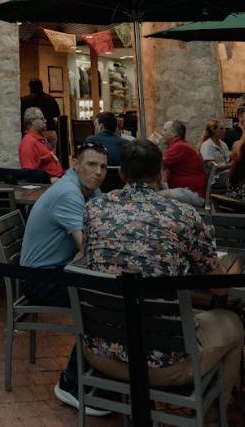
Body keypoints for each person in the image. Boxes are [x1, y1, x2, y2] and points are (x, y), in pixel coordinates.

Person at [83, 139, 244, 417]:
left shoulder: (93, 210)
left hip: (99, 352)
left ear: (120, 173)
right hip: (162, 364)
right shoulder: (182, 215)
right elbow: (218, 285)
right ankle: (215, 411)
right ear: (160, 174)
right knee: (233, 323)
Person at [20, 142, 108, 414]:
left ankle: (105, 376)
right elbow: (89, 249)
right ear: (75, 163)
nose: (98, 172)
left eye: (103, 166)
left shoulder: (88, 190)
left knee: (107, 298)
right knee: (102, 304)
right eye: (91, 165)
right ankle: (71, 384)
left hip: (59, 270)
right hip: (40, 280)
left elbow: (104, 225)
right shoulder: (70, 193)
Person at [161, 119, 207, 200]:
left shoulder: (179, 147)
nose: (162, 133)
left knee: (154, 195)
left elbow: (156, 165)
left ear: (174, 133)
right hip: (188, 190)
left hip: (191, 192)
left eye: (165, 130)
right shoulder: (179, 145)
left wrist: (150, 144)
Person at [19, 107, 64, 179]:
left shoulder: (41, 138)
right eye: (42, 118)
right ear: (32, 122)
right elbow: (29, 174)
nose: (45, 121)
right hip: (51, 184)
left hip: (60, 178)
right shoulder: (28, 143)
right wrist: (49, 180)